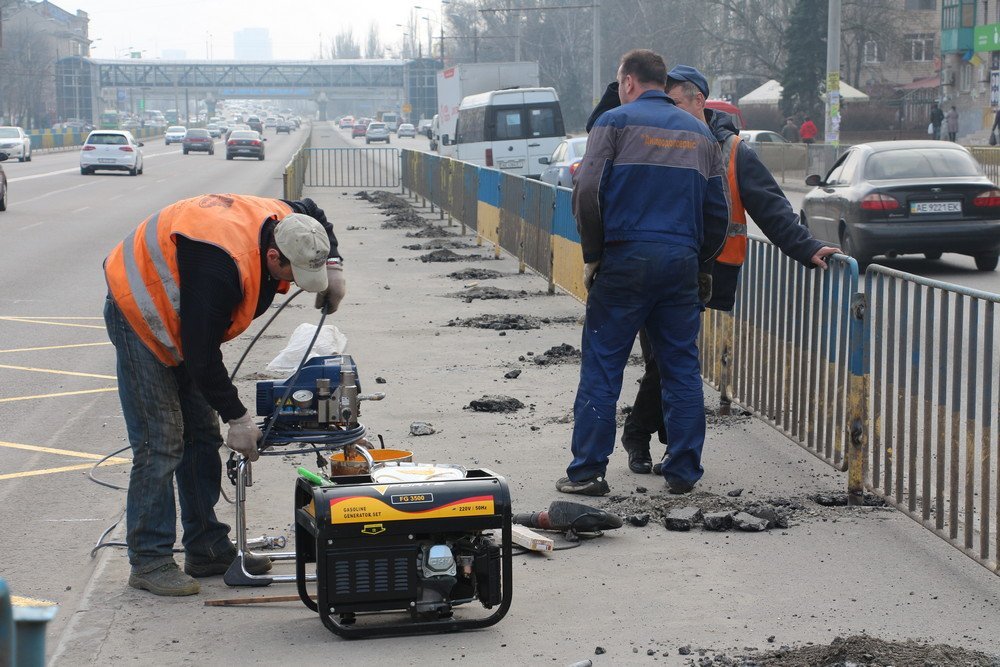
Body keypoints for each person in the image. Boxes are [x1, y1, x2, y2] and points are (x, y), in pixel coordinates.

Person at [103, 194, 346, 596]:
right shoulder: (219, 267)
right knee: (161, 442)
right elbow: (199, 355)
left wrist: (332, 267)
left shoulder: (290, 221)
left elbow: (315, 211)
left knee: (201, 435)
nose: (292, 285)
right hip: (141, 312)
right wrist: (239, 417)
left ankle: (206, 547)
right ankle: (149, 560)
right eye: (293, 272)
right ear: (273, 256)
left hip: (185, 309)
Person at [614, 66, 839, 475]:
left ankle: (645, 435)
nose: (668, 110)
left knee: (667, 360)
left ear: (699, 100)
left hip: (703, 274)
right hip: (652, 266)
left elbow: (772, 209)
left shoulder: (734, 151)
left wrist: (805, 247)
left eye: (676, 102)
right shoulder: (656, 139)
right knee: (664, 359)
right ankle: (651, 437)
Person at [557, 49, 730, 497]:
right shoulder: (701, 133)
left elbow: (588, 192)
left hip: (623, 261)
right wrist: (701, 263)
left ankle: (588, 472)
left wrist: (594, 254)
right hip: (680, 265)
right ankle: (683, 472)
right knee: (681, 368)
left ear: (628, 82)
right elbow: (718, 213)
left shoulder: (612, 124)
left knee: (602, 366)